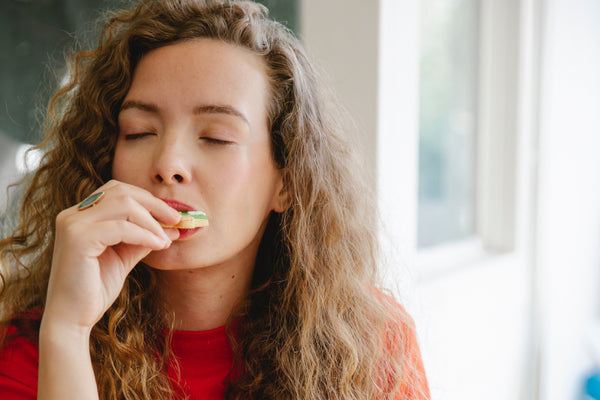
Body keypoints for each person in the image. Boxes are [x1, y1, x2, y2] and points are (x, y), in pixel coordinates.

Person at [0, 0, 430, 399]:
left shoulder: (374, 345)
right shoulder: (35, 350)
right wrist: (69, 333)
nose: (168, 163)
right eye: (139, 133)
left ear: (287, 181)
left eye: (216, 137)